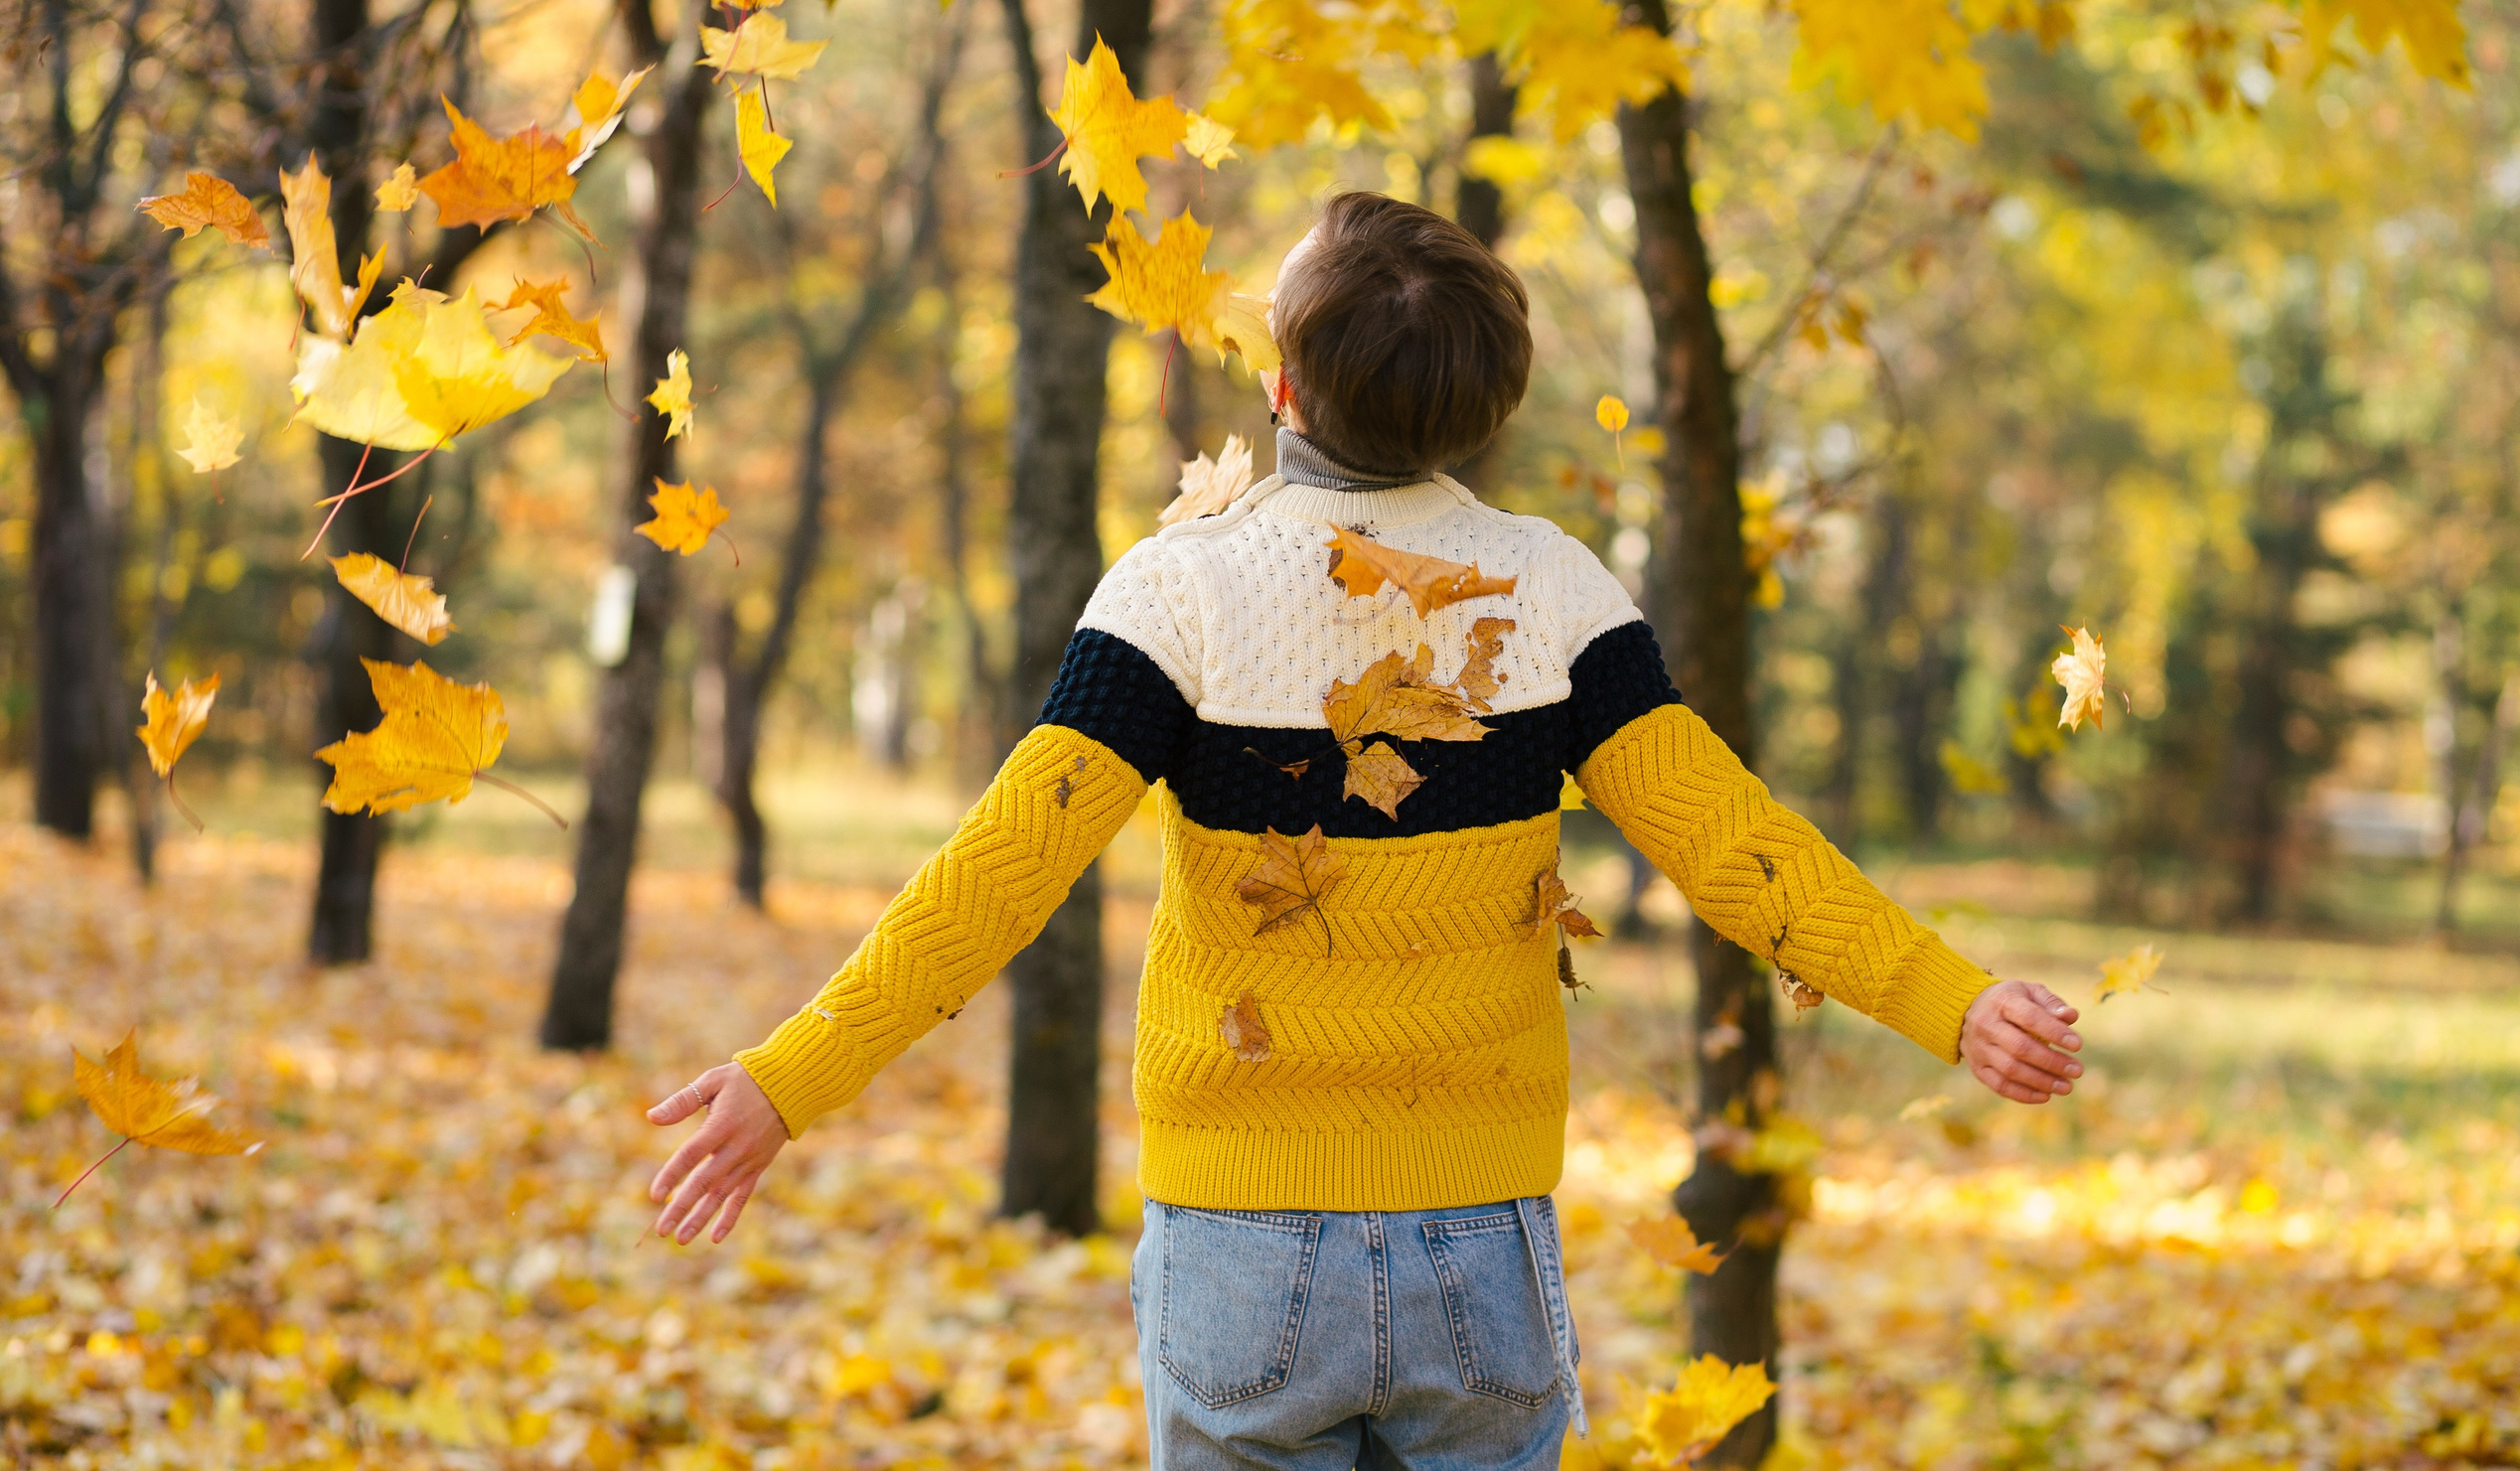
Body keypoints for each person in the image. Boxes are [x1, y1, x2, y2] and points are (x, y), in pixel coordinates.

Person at [644, 191, 2087, 1469]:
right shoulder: (1554, 593)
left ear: (1279, 386)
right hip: (1483, 1254)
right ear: (1490, 408)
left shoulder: (1179, 594)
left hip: (1239, 1250)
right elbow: (1736, 843)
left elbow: (1001, 874)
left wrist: (792, 1079)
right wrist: (1957, 1006)